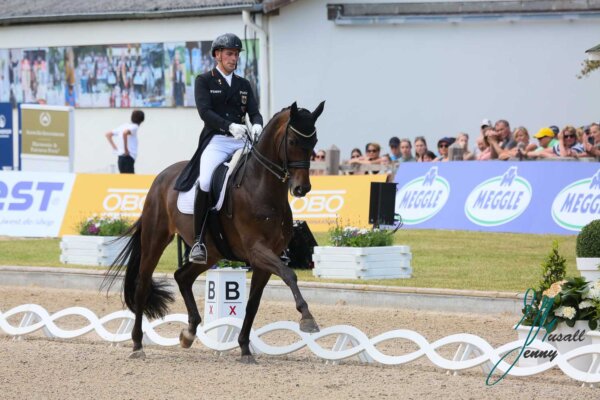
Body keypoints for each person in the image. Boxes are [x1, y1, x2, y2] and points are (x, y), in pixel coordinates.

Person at [174, 33, 263, 264]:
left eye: (236, 54)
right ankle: (198, 241)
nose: (234, 58)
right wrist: (229, 125)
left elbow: (254, 112)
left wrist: (257, 126)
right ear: (218, 55)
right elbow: (205, 112)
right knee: (205, 181)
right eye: (230, 54)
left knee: (263, 175)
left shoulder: (243, 84)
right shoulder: (204, 80)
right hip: (217, 140)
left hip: (241, 140)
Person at [105, 110, 145, 174]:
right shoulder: (135, 126)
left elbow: (108, 134)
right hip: (128, 157)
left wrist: (115, 148)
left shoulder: (124, 125)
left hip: (120, 157)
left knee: (124, 180)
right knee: (130, 181)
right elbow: (125, 133)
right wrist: (126, 150)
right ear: (141, 120)